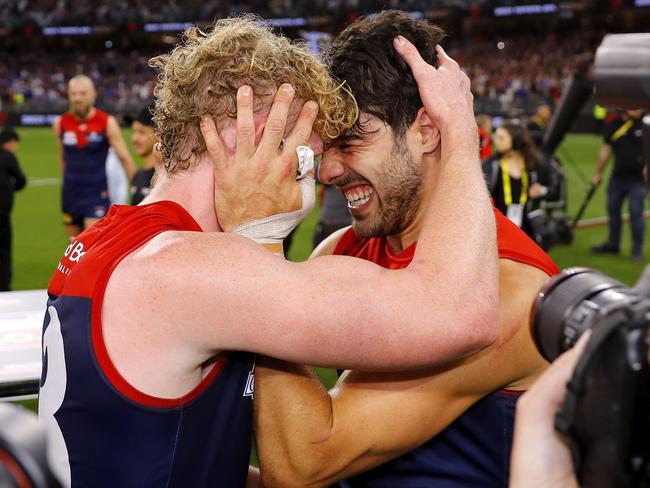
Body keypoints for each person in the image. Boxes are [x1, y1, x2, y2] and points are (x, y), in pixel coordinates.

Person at [38, 17, 499, 487]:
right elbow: (462, 314)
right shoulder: (188, 271)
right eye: (304, 157)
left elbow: (166, 454)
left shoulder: (108, 243)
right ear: (249, 139)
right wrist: (460, 130)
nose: (317, 178)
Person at [253, 11, 558, 487]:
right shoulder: (345, 250)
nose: (328, 171)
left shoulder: (509, 294)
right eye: (325, 147)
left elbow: (306, 463)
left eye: (352, 139)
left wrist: (258, 246)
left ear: (428, 129)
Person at [53, 74, 137, 240]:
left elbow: (124, 157)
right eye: (74, 93)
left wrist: (138, 188)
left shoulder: (106, 122)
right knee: (73, 248)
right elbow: (63, 158)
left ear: (93, 94)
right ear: (68, 95)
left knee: (91, 245)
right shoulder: (60, 123)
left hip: (96, 193)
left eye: (83, 93)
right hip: (70, 194)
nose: (78, 98)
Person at [483, 121, 560, 246]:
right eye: (495, 136)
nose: (495, 140)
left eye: (501, 137)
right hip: (498, 230)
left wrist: (542, 191)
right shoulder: (490, 165)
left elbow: (554, 192)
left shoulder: (536, 165)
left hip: (528, 231)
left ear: (515, 140)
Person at [591, 109, 647, 262]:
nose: (638, 110)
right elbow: (606, 149)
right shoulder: (614, 124)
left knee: (636, 214)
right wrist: (598, 173)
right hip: (618, 177)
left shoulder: (645, 124)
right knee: (613, 211)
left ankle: (637, 251)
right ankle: (613, 244)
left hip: (637, 180)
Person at [0, 128, 26, 291]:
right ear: (10, 143)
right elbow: (21, 181)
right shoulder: (7, 156)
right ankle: (3, 288)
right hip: (2, 213)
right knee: (3, 251)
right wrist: (10, 187)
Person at [125, 103, 158, 205]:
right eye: (133, 132)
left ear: (158, 134)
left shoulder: (163, 176)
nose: (134, 139)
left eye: (141, 132)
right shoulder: (139, 175)